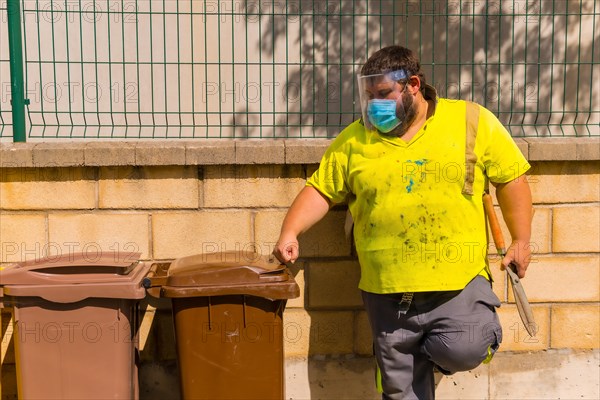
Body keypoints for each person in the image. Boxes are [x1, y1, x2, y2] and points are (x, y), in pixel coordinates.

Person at [272, 45, 532, 399]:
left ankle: (427, 350)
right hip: (386, 290)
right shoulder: (355, 140)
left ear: (412, 84)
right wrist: (290, 232)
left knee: (465, 347)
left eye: (383, 94)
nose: (375, 104)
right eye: (369, 95)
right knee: (399, 390)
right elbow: (320, 190)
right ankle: (402, 363)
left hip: (456, 281)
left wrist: (521, 239)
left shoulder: (472, 121)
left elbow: (512, 179)